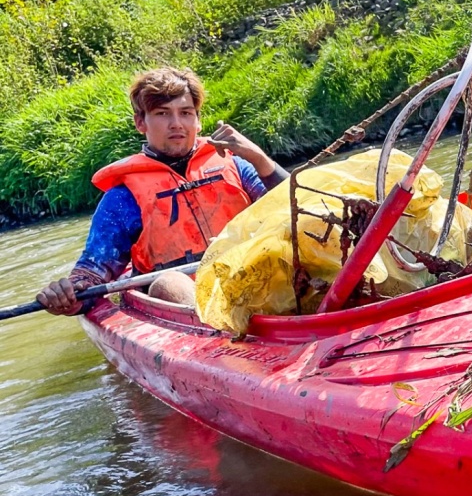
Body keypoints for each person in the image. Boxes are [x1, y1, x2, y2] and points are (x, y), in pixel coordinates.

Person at [37, 67, 288, 316]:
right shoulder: (123, 198)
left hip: (252, 278)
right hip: (183, 303)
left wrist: (260, 159)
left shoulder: (236, 166)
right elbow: (92, 275)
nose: (176, 124)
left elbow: (302, 208)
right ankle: (221, 331)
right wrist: (68, 296)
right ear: (140, 122)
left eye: (186, 113)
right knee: (169, 283)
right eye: (162, 113)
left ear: (198, 121)